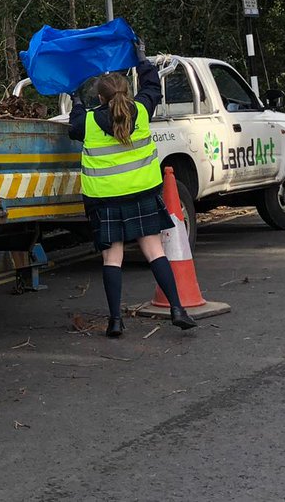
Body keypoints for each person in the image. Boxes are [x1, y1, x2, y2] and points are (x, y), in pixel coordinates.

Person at [69, 58, 197, 337]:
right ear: (126, 92)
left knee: (112, 257)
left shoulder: (88, 122)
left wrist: (76, 97)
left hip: (106, 200)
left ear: (100, 97)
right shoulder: (141, 110)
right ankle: (177, 309)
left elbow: (74, 123)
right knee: (154, 251)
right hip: (142, 195)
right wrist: (141, 61)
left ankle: (115, 321)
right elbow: (152, 87)